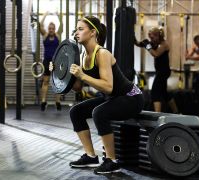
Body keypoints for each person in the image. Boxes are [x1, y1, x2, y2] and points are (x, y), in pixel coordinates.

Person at [50, 16, 144, 174]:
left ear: (93, 32)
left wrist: (83, 75)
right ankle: (90, 156)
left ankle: (112, 161)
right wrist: (59, 73)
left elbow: (108, 86)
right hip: (113, 98)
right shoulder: (81, 56)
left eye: (81, 29)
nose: (76, 33)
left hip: (131, 98)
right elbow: (78, 87)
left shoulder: (102, 53)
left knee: (99, 113)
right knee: (76, 112)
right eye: (76, 29)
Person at [135, 27, 178, 113]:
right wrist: (134, 38)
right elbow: (139, 44)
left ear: (158, 36)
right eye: (150, 38)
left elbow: (156, 54)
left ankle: (157, 114)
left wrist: (147, 45)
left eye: (153, 38)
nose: (151, 40)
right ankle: (177, 112)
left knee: (155, 93)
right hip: (160, 71)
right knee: (165, 94)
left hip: (164, 72)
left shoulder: (164, 44)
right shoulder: (154, 42)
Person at [39, 12, 62, 111]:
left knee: (57, 82)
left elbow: (62, 24)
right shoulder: (45, 35)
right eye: (50, 28)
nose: (51, 30)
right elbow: (40, 24)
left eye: (53, 28)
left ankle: (57, 102)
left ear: (55, 29)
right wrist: (45, 15)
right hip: (47, 61)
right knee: (46, 81)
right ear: (48, 29)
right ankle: (43, 101)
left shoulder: (58, 35)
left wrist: (58, 15)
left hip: (56, 61)